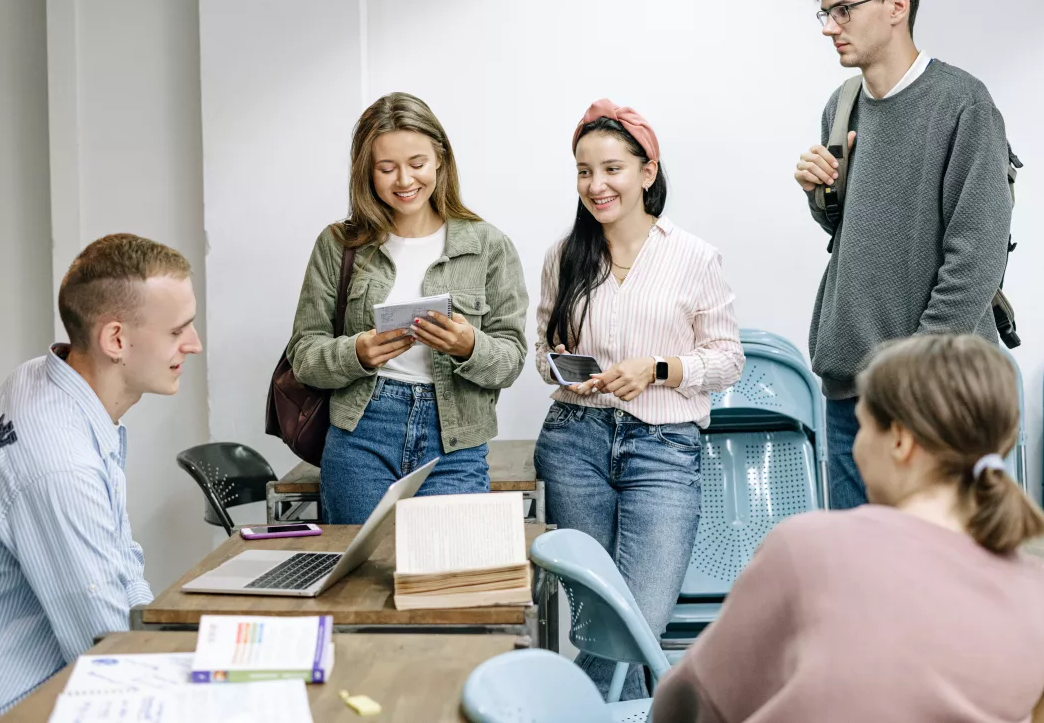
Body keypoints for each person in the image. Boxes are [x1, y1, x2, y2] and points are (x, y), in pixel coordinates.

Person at [651, 334, 1044, 723]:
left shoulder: (809, 547)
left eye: (862, 428)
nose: (855, 448)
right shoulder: (1036, 586)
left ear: (900, 442)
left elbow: (691, 701)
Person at [792, 0, 1013, 509]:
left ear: (896, 5)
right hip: (851, 395)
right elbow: (854, 234)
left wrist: (909, 377)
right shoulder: (840, 107)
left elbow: (976, 260)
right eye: (825, 11)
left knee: (943, 582)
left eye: (844, 9)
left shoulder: (963, 104)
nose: (829, 26)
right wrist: (822, 196)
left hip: (936, 396)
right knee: (858, 582)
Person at [533, 98, 744, 700]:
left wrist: (659, 368)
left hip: (664, 451)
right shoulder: (564, 257)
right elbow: (541, 355)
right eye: (583, 171)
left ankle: (572, 710)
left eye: (611, 169)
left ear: (647, 172)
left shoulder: (695, 257)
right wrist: (564, 370)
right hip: (574, 444)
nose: (595, 185)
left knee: (636, 623)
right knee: (596, 623)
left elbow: (728, 360)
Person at [0, 233, 203, 721]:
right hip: (22, 700)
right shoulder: (60, 465)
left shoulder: (43, 376)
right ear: (116, 340)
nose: (194, 344)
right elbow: (105, 652)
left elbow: (120, 566)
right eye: (177, 330)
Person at [288, 92, 529, 524]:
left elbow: (511, 361)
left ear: (440, 159)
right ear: (367, 172)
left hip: (455, 440)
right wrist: (356, 353)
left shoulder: (488, 246)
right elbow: (304, 355)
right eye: (386, 168)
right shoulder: (338, 245)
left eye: (417, 163)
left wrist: (469, 345)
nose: (404, 180)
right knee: (358, 582)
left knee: (445, 579)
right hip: (362, 433)